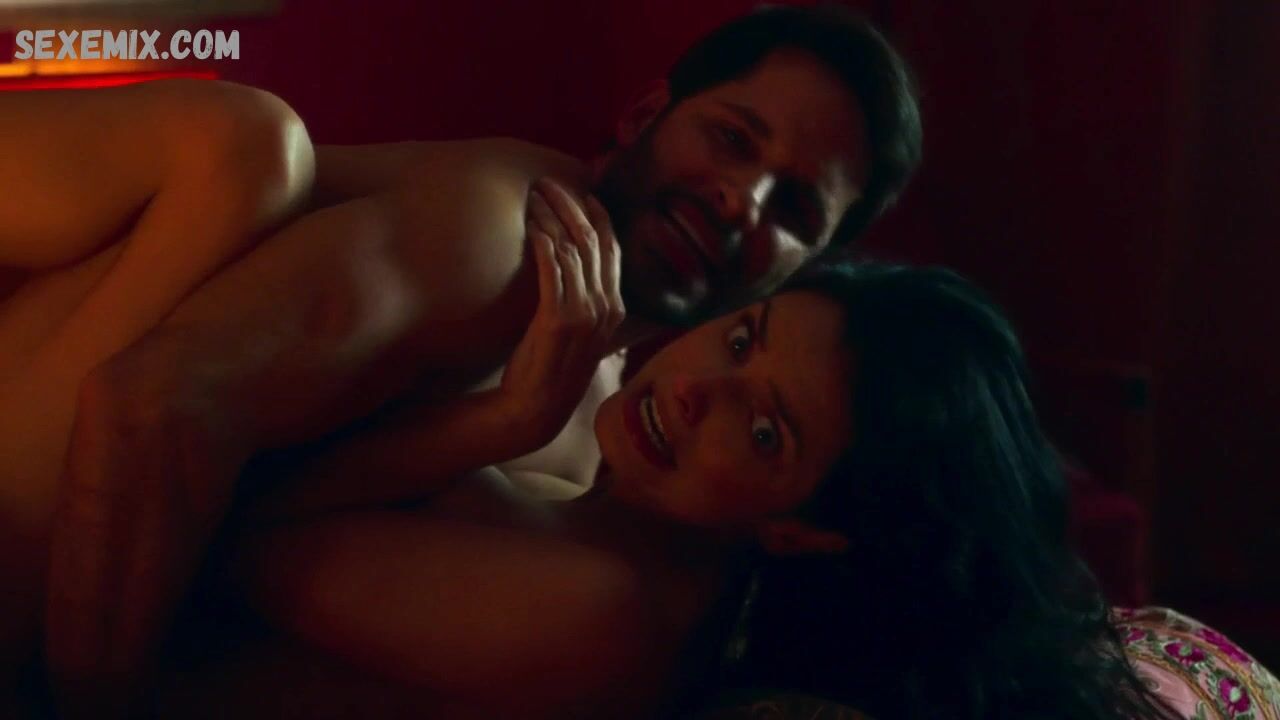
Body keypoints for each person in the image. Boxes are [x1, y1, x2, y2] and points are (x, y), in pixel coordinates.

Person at [0, 4, 923, 712]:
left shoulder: (600, 425)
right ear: (647, 113)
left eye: (793, 208)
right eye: (731, 140)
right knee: (242, 151)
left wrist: (501, 422)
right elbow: (150, 404)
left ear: (806, 267)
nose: (739, 201)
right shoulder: (508, 242)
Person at [157, 257, 1276, 720]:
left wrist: (504, 418)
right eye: (742, 338)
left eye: (764, 428)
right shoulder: (613, 514)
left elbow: (221, 527)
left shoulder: (605, 614)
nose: (695, 390)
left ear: (800, 532)